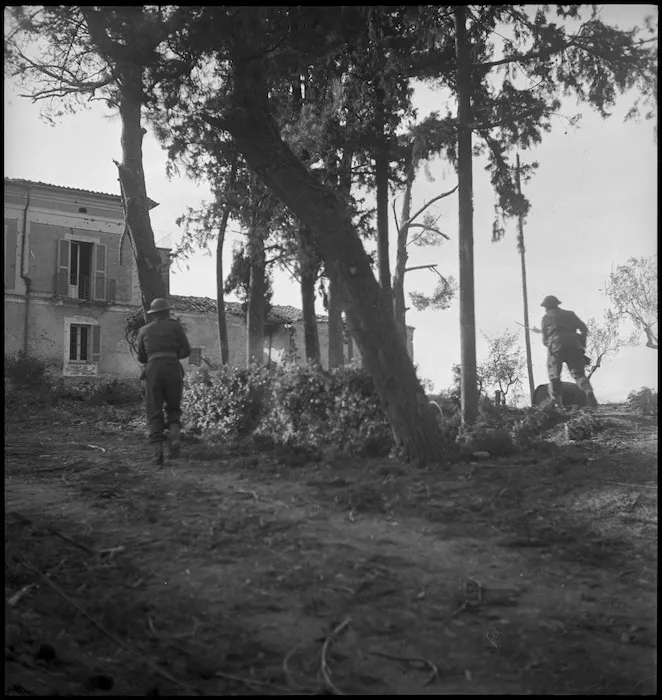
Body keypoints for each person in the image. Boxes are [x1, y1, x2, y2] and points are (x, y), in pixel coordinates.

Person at [137, 298, 191, 465]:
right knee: (174, 406)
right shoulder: (176, 326)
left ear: (153, 314)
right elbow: (186, 350)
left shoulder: (144, 330)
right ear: (167, 312)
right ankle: (174, 437)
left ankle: (157, 453)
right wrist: (173, 355)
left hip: (153, 369)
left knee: (154, 409)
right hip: (173, 368)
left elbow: (141, 357)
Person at [540, 295, 598, 408]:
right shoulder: (570, 314)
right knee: (579, 374)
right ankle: (589, 392)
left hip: (556, 347)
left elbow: (544, 341)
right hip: (575, 345)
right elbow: (584, 328)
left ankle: (557, 404)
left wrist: (551, 342)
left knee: (554, 375)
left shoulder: (546, 318)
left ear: (547, 307)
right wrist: (582, 343)